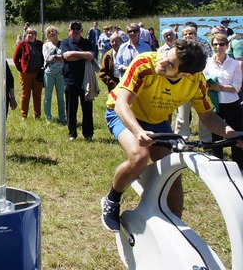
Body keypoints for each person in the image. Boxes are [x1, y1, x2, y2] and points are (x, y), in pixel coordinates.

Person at [100, 39, 243, 232]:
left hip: (156, 122)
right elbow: (121, 104)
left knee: (173, 174)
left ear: (185, 74)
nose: (162, 61)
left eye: (170, 64)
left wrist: (232, 134)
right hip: (123, 114)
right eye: (168, 53)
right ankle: (112, 200)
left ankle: (175, 229)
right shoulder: (145, 63)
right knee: (139, 156)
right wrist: (138, 131)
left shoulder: (196, 81)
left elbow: (208, 116)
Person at [204, 33, 243, 169]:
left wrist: (219, 87)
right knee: (216, 133)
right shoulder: (208, 62)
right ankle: (218, 162)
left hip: (231, 103)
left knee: (235, 133)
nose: (218, 47)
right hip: (215, 103)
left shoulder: (234, 64)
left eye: (221, 44)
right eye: (215, 44)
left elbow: (237, 87)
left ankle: (238, 163)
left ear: (226, 46)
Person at [174, 26, 211, 143]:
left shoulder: (203, 49)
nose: (188, 36)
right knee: (182, 115)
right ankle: (181, 140)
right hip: (182, 87)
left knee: (204, 114)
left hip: (199, 85)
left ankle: (206, 141)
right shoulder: (178, 51)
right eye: (185, 34)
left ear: (195, 35)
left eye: (190, 33)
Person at [60, 20, 95, 140]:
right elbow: (67, 56)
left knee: (87, 108)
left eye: (77, 28)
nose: (75, 31)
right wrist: (82, 56)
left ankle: (88, 134)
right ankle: (72, 134)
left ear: (81, 30)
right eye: (73, 28)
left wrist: (74, 54)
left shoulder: (87, 42)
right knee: (71, 108)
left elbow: (91, 56)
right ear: (69, 30)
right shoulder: (65, 42)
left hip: (86, 81)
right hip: (70, 80)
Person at [13, 27, 44, 120]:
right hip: (26, 74)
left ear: (35, 35)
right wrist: (21, 69)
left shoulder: (40, 44)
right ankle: (24, 115)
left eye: (32, 33)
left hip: (38, 74)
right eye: (28, 33)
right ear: (26, 34)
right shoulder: (22, 44)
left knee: (37, 96)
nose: (30, 35)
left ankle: (37, 116)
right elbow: (15, 59)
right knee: (25, 95)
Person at [42, 25, 66, 124]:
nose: (51, 33)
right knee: (48, 96)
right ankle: (48, 118)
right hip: (49, 74)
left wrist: (55, 57)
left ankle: (62, 117)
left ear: (57, 32)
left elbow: (65, 56)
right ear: (47, 35)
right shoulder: (46, 45)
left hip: (61, 74)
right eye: (49, 32)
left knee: (61, 97)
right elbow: (47, 58)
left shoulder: (63, 44)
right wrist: (58, 57)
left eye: (53, 31)